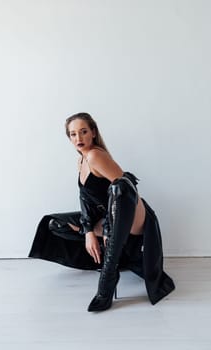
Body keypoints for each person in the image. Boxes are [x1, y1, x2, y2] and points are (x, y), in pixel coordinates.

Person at [29, 112, 175, 312]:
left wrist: (107, 228)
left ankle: (108, 279)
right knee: (54, 224)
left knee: (119, 188)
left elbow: (128, 189)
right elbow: (85, 200)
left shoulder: (95, 156)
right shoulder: (81, 161)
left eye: (83, 132)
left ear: (93, 133)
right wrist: (88, 231)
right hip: (108, 217)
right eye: (73, 134)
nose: (78, 138)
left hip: (136, 217)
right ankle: (113, 255)